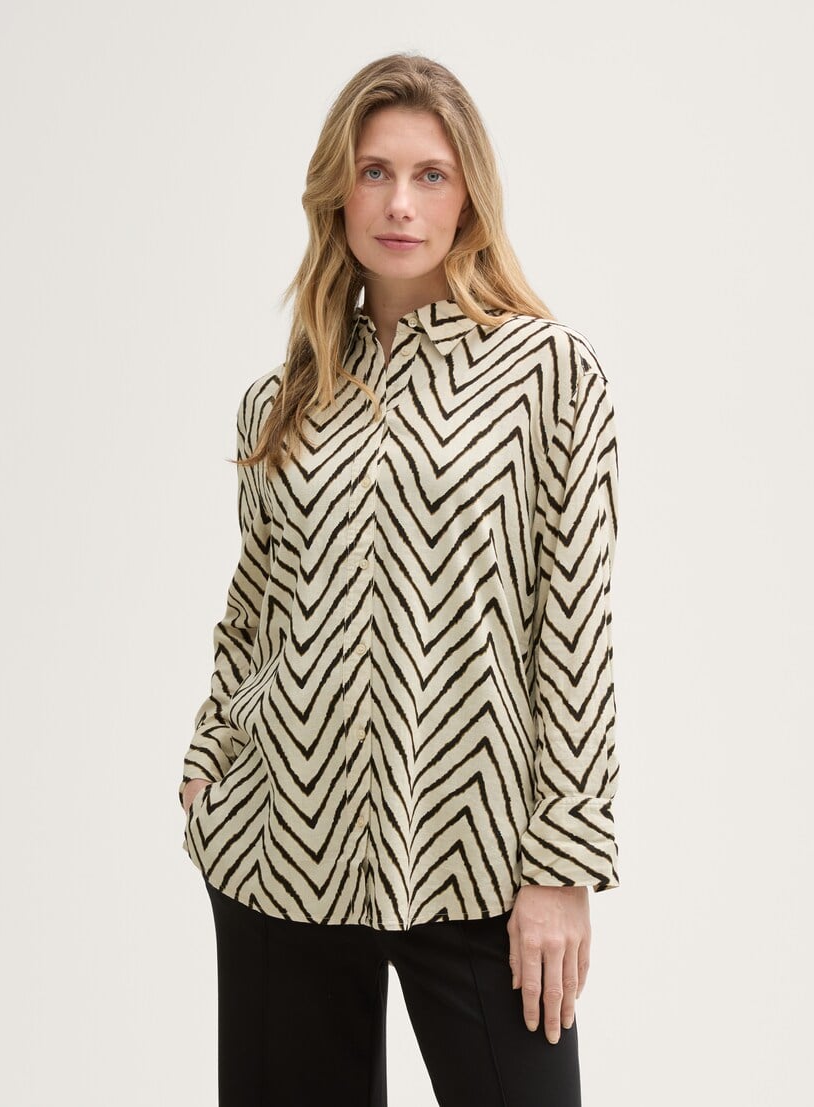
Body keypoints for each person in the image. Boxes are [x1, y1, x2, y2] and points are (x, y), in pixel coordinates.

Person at [178, 51, 620, 1107]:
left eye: (430, 175)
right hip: (280, 847)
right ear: (337, 192)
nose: (400, 203)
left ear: (469, 196)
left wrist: (563, 861)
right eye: (374, 172)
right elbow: (252, 611)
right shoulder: (281, 401)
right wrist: (207, 762)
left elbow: (574, 631)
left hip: (476, 856)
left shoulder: (550, 375)